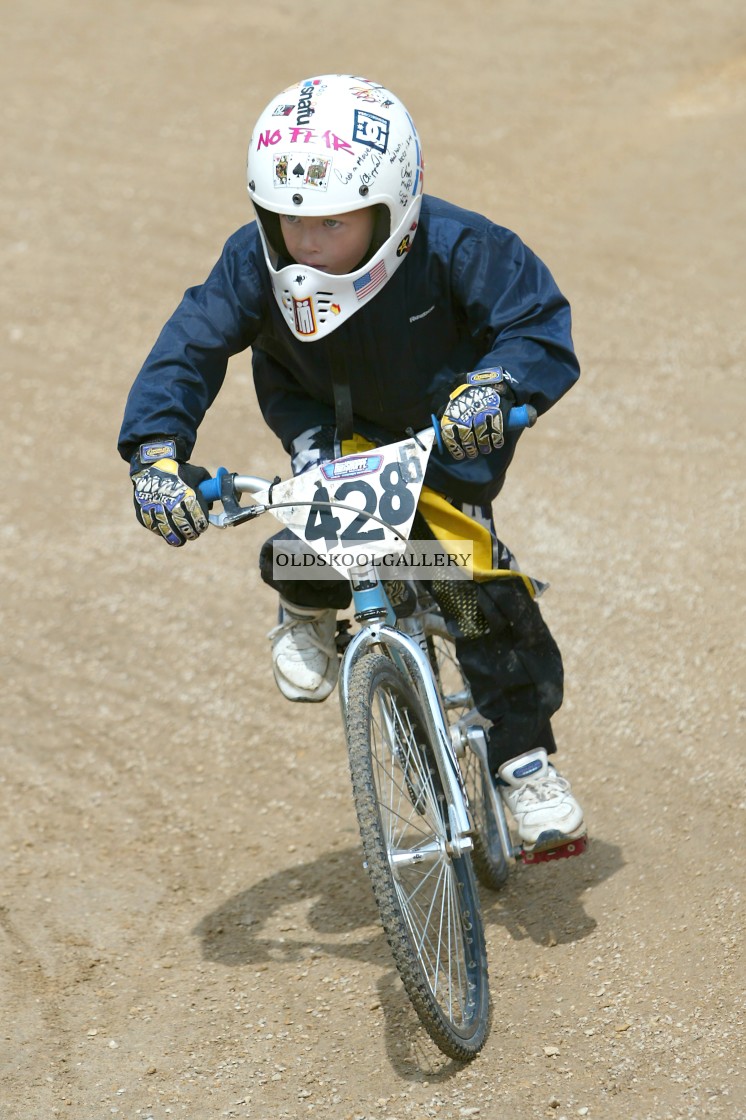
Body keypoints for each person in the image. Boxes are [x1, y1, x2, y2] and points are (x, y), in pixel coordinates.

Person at [118, 74, 586, 857]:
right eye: (288, 220)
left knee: (472, 592)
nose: (305, 245)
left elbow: (534, 320)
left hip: (443, 434)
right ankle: (305, 606)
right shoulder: (250, 261)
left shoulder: (459, 245)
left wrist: (497, 385)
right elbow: (188, 348)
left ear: (393, 208)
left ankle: (522, 759)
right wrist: (156, 455)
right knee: (318, 530)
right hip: (324, 429)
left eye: (332, 223)